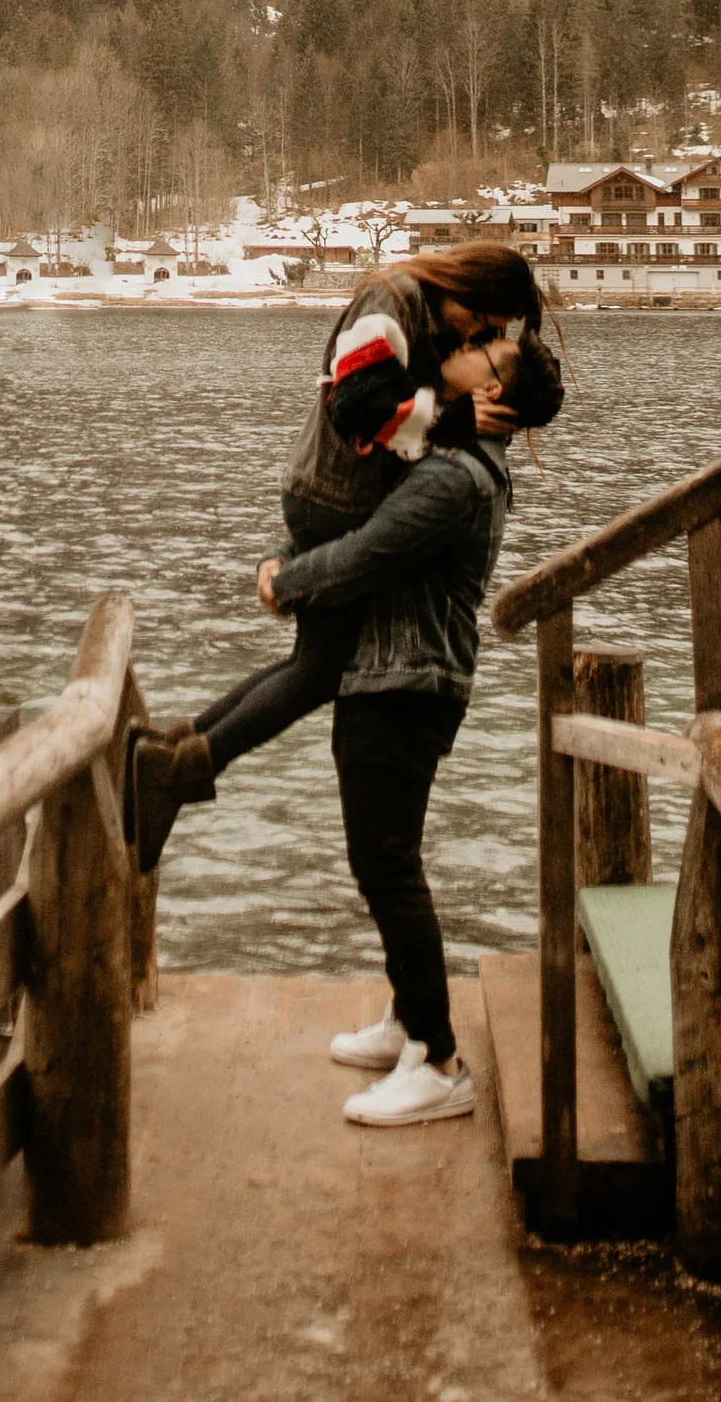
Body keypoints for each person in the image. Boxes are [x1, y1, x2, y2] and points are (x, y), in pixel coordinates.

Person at [125, 243, 552, 871]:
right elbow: (355, 404)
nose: (480, 335)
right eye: (487, 324)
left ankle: (171, 751)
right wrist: (454, 416)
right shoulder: (393, 301)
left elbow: (394, 407)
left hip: (334, 494)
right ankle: (172, 770)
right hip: (334, 496)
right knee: (320, 670)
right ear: (473, 292)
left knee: (313, 663)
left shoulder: (420, 318)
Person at [277, 322, 567, 1126]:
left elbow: (367, 552)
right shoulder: (452, 459)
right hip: (396, 675)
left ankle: (439, 1062)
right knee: (382, 857)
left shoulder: (456, 479)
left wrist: (285, 581)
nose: (463, 348)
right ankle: (409, 1017)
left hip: (409, 682)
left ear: (492, 392)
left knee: (386, 863)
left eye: (484, 354)